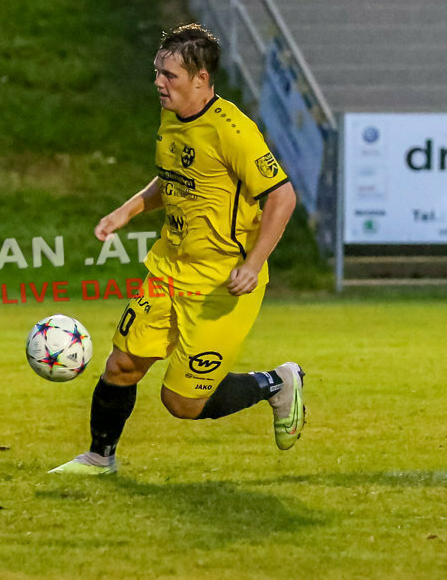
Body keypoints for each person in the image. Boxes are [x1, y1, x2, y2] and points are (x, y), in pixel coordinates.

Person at [50, 24, 304, 476]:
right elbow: (173, 177)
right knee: (122, 364)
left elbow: (282, 196)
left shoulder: (234, 131)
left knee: (182, 403)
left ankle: (277, 383)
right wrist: (127, 211)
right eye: (157, 72)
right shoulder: (172, 115)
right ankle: (99, 458)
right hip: (169, 270)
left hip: (222, 286)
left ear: (202, 79)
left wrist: (254, 262)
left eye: (169, 75)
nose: (158, 83)